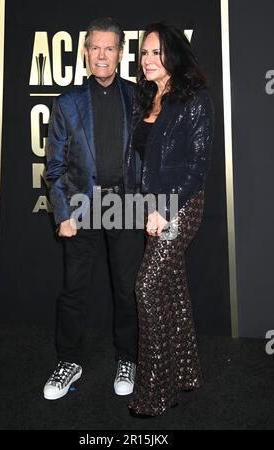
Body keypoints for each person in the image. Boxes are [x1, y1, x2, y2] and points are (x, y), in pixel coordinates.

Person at [43, 17, 144, 400]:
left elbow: (149, 157)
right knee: (73, 290)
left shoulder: (139, 97)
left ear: (120, 54)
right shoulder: (68, 103)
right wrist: (63, 213)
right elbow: (54, 166)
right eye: (95, 48)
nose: (102, 55)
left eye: (110, 48)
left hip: (127, 203)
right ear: (86, 54)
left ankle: (128, 358)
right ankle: (69, 361)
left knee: (127, 289)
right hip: (81, 205)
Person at [125, 22, 214, 416]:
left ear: (173, 54)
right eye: (144, 52)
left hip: (181, 206)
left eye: (156, 52)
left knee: (147, 287)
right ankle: (187, 373)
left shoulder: (195, 98)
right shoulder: (146, 97)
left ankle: (157, 390)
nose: (147, 59)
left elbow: (196, 167)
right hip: (152, 208)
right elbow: (141, 162)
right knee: (171, 288)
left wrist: (164, 208)